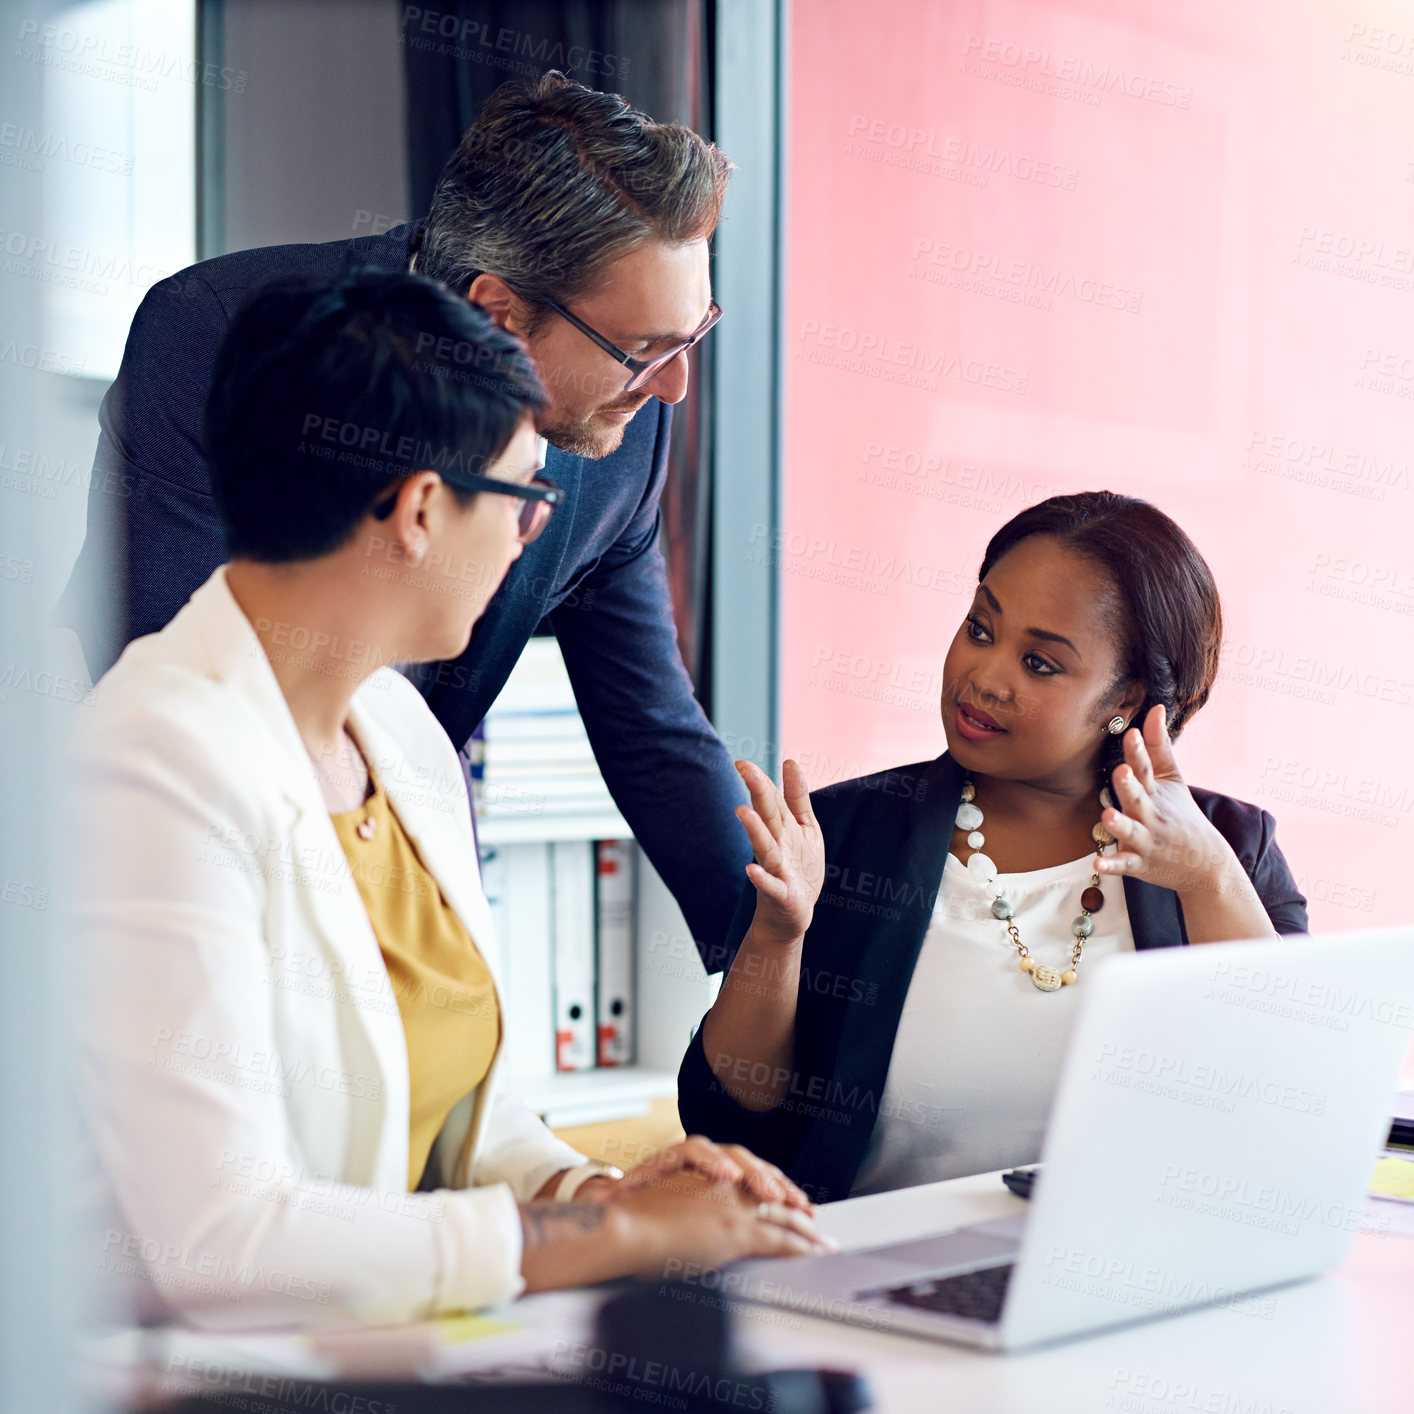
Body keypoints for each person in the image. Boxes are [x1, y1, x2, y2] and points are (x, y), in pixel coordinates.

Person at [64, 271, 830, 1331]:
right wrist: (611, 1240)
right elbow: (218, 1242)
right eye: (525, 495)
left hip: (390, 1347)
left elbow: (461, 1110)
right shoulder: (151, 767)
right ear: (420, 510)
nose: (534, 536)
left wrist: (591, 1191)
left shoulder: (401, 734)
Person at [55, 71, 747, 968]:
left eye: (693, 336)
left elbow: (652, 726)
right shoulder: (222, 338)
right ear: (497, 312)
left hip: (411, 864)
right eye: (646, 351)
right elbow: (193, 676)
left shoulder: (622, 434)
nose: (674, 388)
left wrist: (787, 962)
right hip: (172, 868)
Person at [678, 493, 1309, 1204]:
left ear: (1124, 700)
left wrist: (1210, 880)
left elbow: (1288, 1113)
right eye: (981, 629)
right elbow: (724, 1127)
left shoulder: (1230, 850)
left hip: (1137, 1277)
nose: (985, 676)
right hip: (879, 1281)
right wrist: (776, 936)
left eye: (1039, 664)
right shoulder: (843, 838)